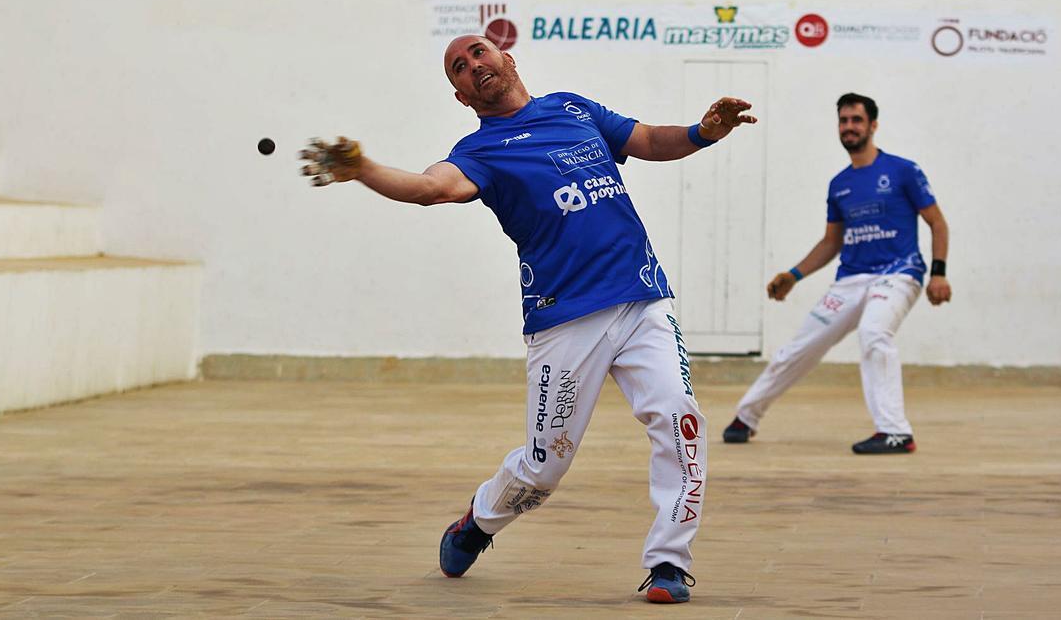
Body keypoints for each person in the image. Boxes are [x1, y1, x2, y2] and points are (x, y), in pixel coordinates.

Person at [299, 35, 756, 603]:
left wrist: (704, 132)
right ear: (461, 95)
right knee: (543, 470)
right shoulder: (479, 151)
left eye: (479, 53)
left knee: (680, 421)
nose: (473, 66)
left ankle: (668, 561)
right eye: (459, 69)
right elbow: (428, 189)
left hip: (643, 300)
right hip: (564, 321)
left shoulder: (573, 108)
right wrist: (363, 167)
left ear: (508, 58)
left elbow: (645, 140)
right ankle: (480, 521)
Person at [722, 93, 951, 454]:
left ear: (873, 125)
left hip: (899, 273)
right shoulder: (839, 184)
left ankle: (895, 432)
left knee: (875, 333)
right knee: (799, 348)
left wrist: (939, 273)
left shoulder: (903, 170)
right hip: (850, 280)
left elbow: (937, 222)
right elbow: (832, 242)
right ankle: (745, 417)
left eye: (856, 120)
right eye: (843, 121)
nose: (849, 127)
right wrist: (794, 274)